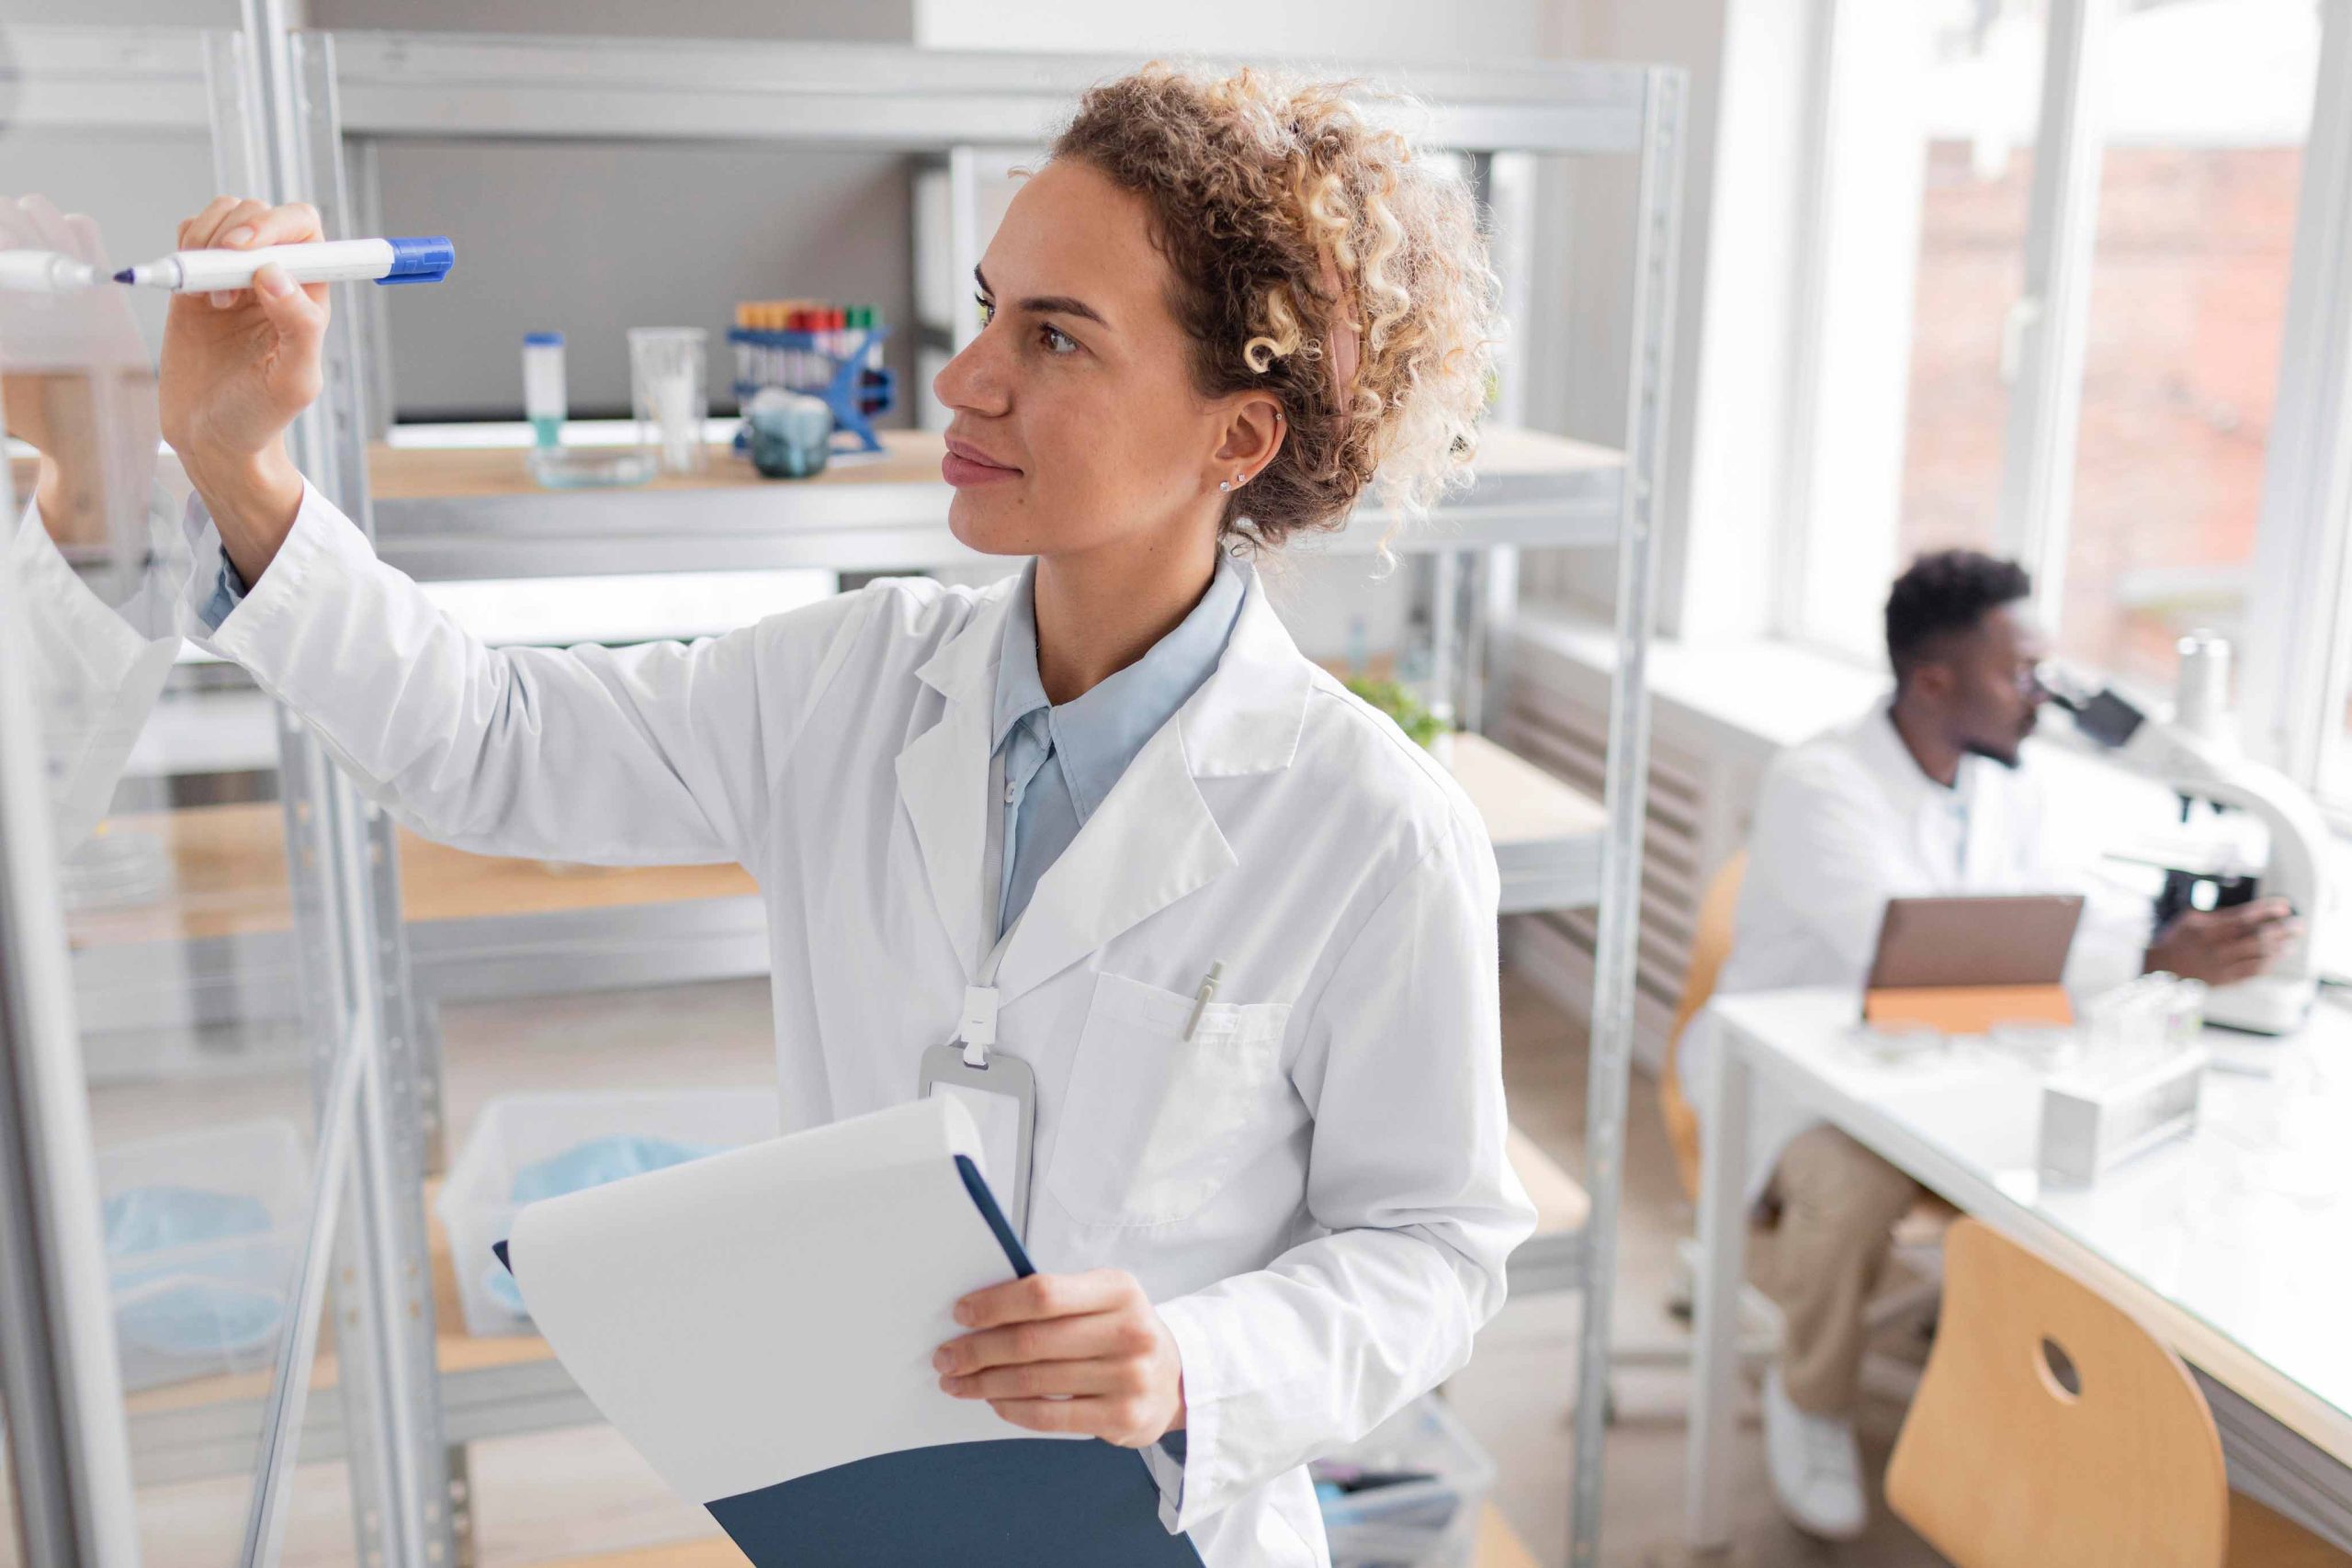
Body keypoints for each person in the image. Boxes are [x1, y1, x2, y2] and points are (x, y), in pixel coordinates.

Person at [143, 65, 1533, 1568]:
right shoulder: (851, 683)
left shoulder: (1372, 831)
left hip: (1161, 1531)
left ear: (1236, 440)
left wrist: (1198, 1360)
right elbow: (490, 742)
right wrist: (241, 462)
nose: (969, 377)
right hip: (861, 1506)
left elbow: (1434, 1247)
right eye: (994, 307)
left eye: (1056, 337)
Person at [1679, 549, 2299, 1540]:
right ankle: (1811, 1394)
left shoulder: (2006, 786)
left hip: (1942, 1061)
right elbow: (1917, 944)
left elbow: (2038, 920)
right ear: (1933, 680)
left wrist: (2159, 938)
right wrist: (2149, 950)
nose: (2041, 699)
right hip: (1800, 1076)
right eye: (2020, 674)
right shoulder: (1821, 783)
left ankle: (2015, 1406)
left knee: (2087, 1156)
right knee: (1852, 1182)